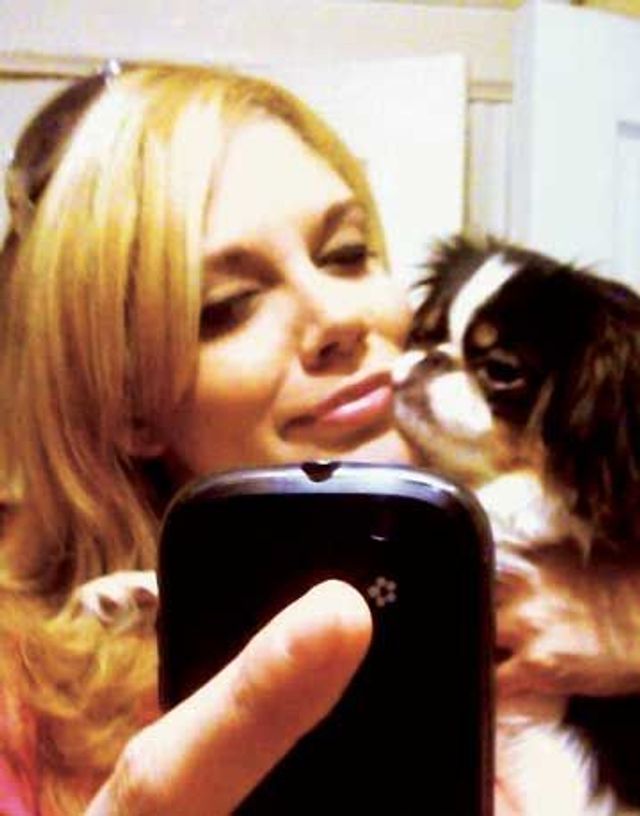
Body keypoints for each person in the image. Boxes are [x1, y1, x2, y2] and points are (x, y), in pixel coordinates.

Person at [2, 62, 640, 815]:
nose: (338, 317)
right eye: (230, 305)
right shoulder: (23, 705)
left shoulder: (587, 552)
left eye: (346, 253)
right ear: (132, 410)